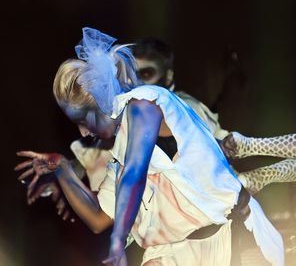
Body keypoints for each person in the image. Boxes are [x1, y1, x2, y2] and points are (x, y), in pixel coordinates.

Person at [15, 27, 284, 266]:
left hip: (232, 234)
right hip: (178, 253)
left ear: (100, 106)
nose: (83, 132)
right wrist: (63, 170)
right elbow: (98, 218)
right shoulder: (118, 156)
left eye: (84, 120)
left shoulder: (146, 103)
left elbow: (136, 172)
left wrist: (118, 242)